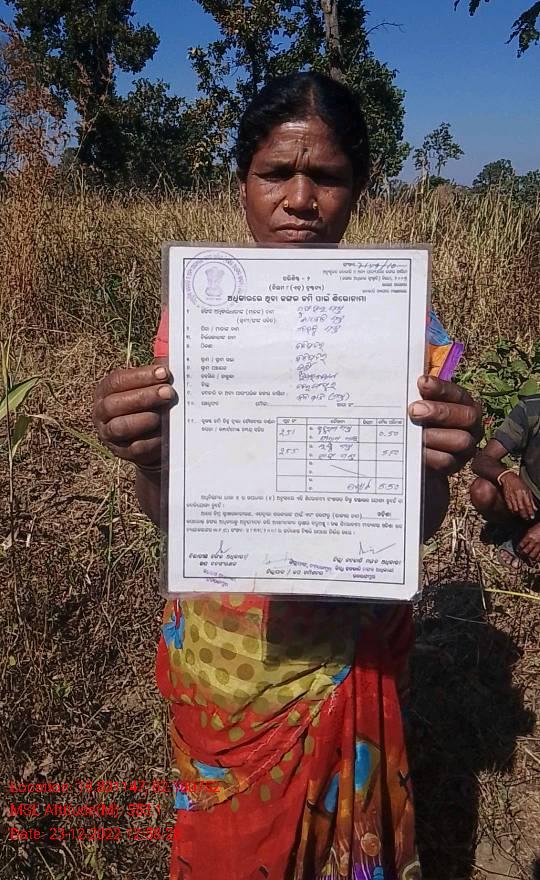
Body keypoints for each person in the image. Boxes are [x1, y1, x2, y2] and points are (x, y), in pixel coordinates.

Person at [92, 72, 483, 880]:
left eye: (326, 176)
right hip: (231, 667)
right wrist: (153, 458)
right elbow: (170, 514)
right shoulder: (199, 314)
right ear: (242, 182)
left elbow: (418, 523)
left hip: (349, 658)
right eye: (276, 173)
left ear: (358, 189)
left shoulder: (403, 323)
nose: (300, 199)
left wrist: (435, 465)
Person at [470, 396, 540, 567]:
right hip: (532, 501)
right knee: (483, 491)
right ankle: (518, 529)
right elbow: (482, 460)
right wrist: (507, 476)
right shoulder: (532, 409)